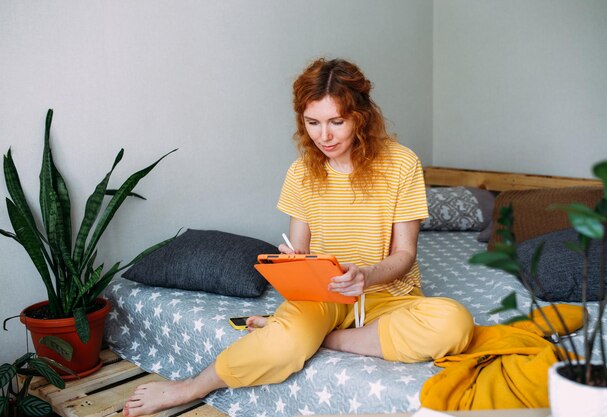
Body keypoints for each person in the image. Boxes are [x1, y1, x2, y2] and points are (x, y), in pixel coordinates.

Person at [122, 58, 474, 417]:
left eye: (337, 122)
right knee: (283, 346)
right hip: (322, 294)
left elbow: (404, 254)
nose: (325, 136)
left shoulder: (402, 163)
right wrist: (292, 262)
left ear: (360, 116)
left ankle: (328, 340)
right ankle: (189, 387)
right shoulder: (301, 172)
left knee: (453, 324)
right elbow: (300, 249)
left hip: (388, 294)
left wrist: (365, 276)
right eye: (313, 123)